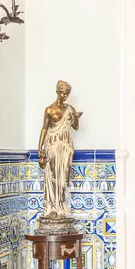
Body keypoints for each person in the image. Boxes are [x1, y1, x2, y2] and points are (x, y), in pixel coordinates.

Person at [38, 80, 82, 229]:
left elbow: (75, 127)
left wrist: (76, 117)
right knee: (52, 176)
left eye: (67, 94)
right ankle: (51, 208)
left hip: (65, 147)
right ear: (57, 92)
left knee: (64, 176)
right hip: (52, 145)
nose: (65, 96)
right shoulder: (49, 110)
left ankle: (61, 206)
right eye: (63, 93)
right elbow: (44, 128)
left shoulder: (70, 109)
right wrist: (40, 148)